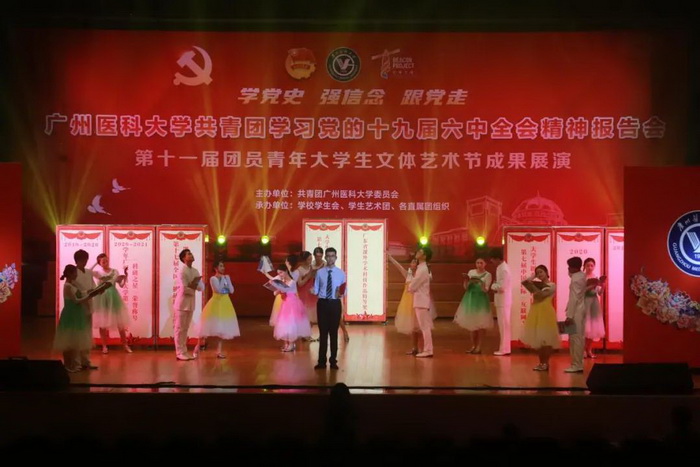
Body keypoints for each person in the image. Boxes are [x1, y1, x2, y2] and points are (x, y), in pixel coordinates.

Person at [53, 265, 100, 372]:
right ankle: (68, 365)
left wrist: (91, 292)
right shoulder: (67, 286)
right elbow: (76, 300)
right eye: (75, 273)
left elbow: (81, 293)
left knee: (75, 340)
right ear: (70, 274)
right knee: (68, 340)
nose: (76, 275)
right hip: (70, 314)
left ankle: (75, 364)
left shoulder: (72, 284)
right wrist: (90, 296)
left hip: (77, 314)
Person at [194, 260, 240, 359]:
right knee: (206, 327)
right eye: (220, 266)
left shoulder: (226, 277)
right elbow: (218, 290)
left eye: (223, 266)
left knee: (222, 329)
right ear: (215, 268)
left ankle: (219, 351)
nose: (223, 268)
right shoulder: (213, 278)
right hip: (215, 304)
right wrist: (224, 280)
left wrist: (227, 280)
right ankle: (197, 347)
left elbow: (231, 290)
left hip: (225, 303)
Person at [520, 265, 560, 371]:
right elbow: (524, 282)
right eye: (537, 273)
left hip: (546, 312)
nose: (539, 274)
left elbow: (541, 295)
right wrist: (533, 277)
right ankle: (541, 362)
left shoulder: (552, 285)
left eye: (541, 272)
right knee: (538, 339)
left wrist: (534, 288)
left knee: (546, 340)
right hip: (536, 311)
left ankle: (545, 362)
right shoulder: (536, 284)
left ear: (546, 272)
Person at [312, 247, 346, 370]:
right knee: (323, 333)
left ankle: (333, 361)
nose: (330, 258)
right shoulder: (320, 273)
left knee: (333, 333)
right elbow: (316, 288)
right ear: (325, 257)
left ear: (336, 258)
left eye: (332, 256)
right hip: (322, 304)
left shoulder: (341, 273)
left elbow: (344, 291)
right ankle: (321, 361)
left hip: (335, 304)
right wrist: (313, 291)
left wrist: (340, 294)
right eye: (328, 256)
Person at [91, 253, 132, 354]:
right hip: (101, 298)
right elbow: (88, 271)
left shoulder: (114, 271)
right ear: (100, 263)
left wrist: (126, 276)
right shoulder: (98, 272)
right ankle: (104, 346)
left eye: (106, 260)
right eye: (103, 261)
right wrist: (95, 263)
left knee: (120, 323)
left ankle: (125, 345)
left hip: (113, 297)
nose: (106, 262)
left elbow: (121, 285)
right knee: (102, 323)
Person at [454, 256, 493, 354]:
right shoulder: (471, 272)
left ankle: (479, 346)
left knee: (481, 324)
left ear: (485, 264)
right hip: (470, 299)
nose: (479, 265)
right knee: (471, 324)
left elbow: (486, 290)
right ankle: (473, 345)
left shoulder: (488, 275)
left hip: (481, 300)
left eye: (481, 263)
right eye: (477, 263)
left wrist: (481, 283)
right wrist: (467, 281)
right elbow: (466, 288)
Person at [270, 262, 311, 351]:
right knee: (284, 324)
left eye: (281, 272)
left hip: (292, 304)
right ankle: (286, 343)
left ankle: (291, 344)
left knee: (291, 324)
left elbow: (285, 289)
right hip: (285, 304)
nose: (280, 275)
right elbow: (277, 292)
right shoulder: (283, 281)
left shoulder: (292, 282)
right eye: (278, 273)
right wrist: (275, 289)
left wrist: (277, 285)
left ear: (286, 271)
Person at [173, 248, 204, 361]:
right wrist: (193, 287)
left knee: (185, 328)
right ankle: (179, 352)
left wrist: (195, 286)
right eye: (188, 254)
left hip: (190, 303)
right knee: (179, 328)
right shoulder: (182, 271)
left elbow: (201, 287)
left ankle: (184, 351)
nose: (191, 255)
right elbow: (184, 288)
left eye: (191, 253)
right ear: (184, 258)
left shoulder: (195, 271)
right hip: (181, 304)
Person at [388, 254, 422, 354]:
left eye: (415, 262)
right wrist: (390, 257)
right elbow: (398, 266)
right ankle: (414, 348)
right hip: (407, 302)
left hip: (417, 301)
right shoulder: (408, 275)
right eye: (412, 262)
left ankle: (420, 347)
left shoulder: (420, 275)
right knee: (413, 327)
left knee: (418, 327)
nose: (413, 263)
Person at [73, 249, 101, 370]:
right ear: (77, 260)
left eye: (86, 260)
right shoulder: (73, 272)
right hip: (78, 305)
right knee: (78, 334)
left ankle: (86, 361)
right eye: (82, 260)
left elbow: (93, 286)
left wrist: (98, 290)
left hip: (88, 304)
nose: (84, 262)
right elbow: (74, 290)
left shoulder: (89, 272)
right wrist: (86, 292)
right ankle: (77, 362)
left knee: (87, 334)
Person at [408, 246, 433, 358]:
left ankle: (428, 350)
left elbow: (414, 284)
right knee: (423, 326)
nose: (417, 252)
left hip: (421, 300)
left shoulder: (423, 269)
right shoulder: (421, 267)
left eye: (420, 252)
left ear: (425, 256)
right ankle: (427, 349)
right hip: (420, 300)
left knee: (425, 327)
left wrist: (410, 288)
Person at [564, 256, 587, 373]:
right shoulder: (581, 276)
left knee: (575, 338)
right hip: (581, 310)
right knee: (579, 338)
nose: (568, 269)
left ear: (573, 267)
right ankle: (577, 363)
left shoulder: (575, 279)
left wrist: (569, 315)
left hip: (576, 312)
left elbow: (574, 298)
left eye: (569, 267)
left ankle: (576, 364)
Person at [489, 248, 512, 356]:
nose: (492, 261)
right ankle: (504, 348)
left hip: (503, 301)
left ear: (498, 259)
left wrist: (493, 286)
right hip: (501, 301)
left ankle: (504, 349)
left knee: (504, 326)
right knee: (503, 325)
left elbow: (502, 287)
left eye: (493, 259)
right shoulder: (501, 268)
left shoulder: (504, 269)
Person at [583, 258, 606, 358]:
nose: (589, 267)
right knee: (585, 328)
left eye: (591, 265)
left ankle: (589, 350)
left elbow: (599, 293)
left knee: (593, 328)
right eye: (588, 265)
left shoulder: (595, 277)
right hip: (585, 302)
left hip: (594, 303)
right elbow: (581, 291)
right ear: (584, 266)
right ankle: (583, 350)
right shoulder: (582, 278)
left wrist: (603, 286)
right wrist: (592, 285)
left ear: (594, 267)